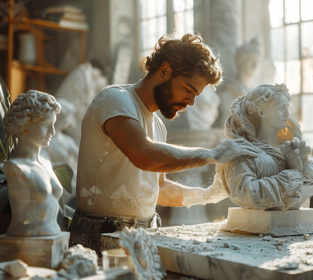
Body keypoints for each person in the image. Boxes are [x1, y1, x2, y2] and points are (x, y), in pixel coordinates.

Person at [69, 33, 256, 252]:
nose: (191, 102)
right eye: (188, 89)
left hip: (144, 233)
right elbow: (144, 155)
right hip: (99, 235)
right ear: (164, 70)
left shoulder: (158, 126)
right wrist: (212, 155)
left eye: (196, 94)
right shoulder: (115, 99)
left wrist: (209, 194)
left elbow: (159, 189)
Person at [184, 84, 313, 210]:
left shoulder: (290, 147)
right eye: (281, 108)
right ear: (262, 112)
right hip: (262, 225)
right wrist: (295, 171)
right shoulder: (241, 152)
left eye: (287, 107)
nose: (287, 114)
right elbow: (248, 194)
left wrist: (303, 161)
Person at [2, 90, 63, 236]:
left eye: (53, 124)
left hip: (53, 237)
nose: (52, 132)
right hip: (28, 239)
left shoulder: (46, 163)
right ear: (25, 124)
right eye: (46, 124)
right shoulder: (16, 167)